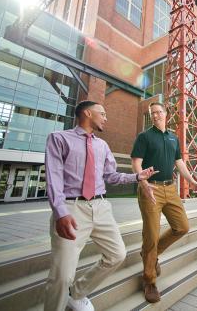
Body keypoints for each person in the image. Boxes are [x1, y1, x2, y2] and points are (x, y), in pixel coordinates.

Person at [44, 101, 157, 311]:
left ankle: (77, 294)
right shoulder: (59, 138)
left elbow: (110, 176)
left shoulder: (102, 145)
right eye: (102, 113)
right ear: (87, 113)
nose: (106, 118)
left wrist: (136, 176)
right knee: (62, 275)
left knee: (117, 255)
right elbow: (54, 178)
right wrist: (60, 212)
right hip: (72, 208)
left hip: (101, 207)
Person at [131, 102, 197, 303]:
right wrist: (142, 183)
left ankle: (150, 256)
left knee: (182, 227)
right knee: (151, 234)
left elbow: (179, 163)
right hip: (150, 188)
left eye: (159, 112)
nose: (155, 115)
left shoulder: (173, 137)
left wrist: (191, 181)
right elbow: (136, 162)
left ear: (166, 114)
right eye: (152, 113)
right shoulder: (144, 137)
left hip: (170, 188)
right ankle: (149, 280)